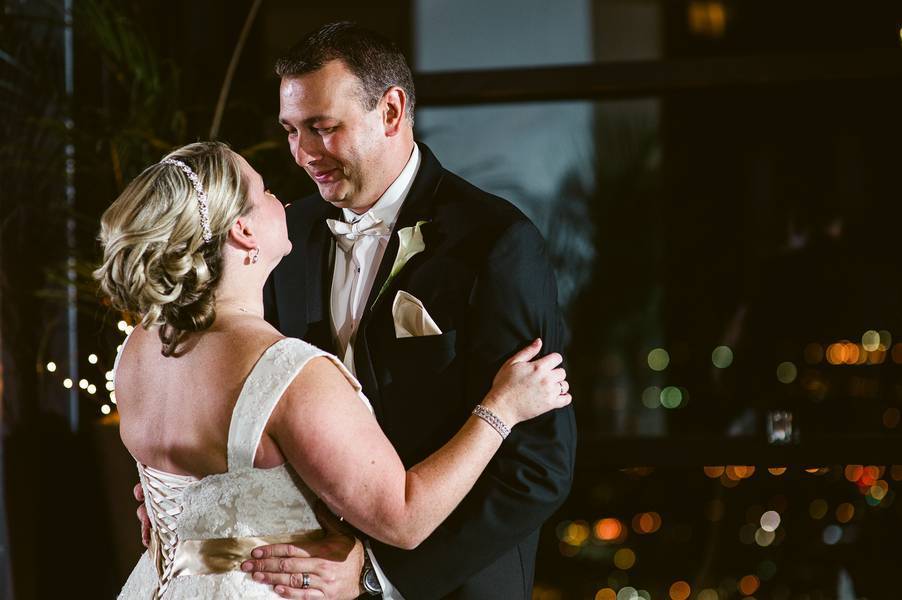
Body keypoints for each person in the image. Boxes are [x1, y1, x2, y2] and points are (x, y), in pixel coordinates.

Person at [99, 141, 570, 599]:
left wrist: (181, 515)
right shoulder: (285, 371)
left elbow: (189, 486)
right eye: (265, 191)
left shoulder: (138, 349)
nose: (284, 198)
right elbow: (404, 519)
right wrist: (500, 410)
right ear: (243, 231)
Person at [245, 22, 577, 599]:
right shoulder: (286, 237)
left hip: (453, 587)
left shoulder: (494, 242)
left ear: (392, 111)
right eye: (292, 131)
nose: (303, 154)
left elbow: (539, 467)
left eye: (323, 128)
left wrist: (376, 576)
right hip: (306, 581)